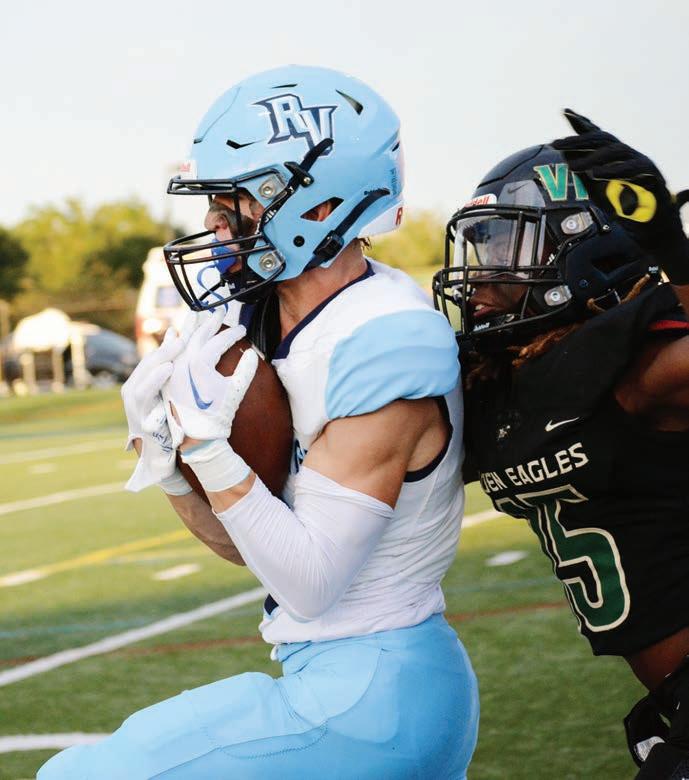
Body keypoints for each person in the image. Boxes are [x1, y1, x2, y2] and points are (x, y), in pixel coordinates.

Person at [39, 65, 479, 779]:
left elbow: (310, 581)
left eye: (234, 202)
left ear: (317, 203)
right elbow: (248, 548)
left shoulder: (386, 340)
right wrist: (170, 462)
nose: (215, 226)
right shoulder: (263, 317)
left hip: (373, 697)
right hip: (334, 680)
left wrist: (207, 448)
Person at [433, 109, 689, 779]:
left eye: (504, 247)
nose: (479, 276)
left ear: (584, 246)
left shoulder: (642, 366)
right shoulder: (505, 381)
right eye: (480, 247)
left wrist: (675, 252)